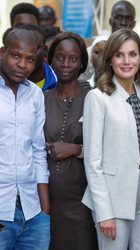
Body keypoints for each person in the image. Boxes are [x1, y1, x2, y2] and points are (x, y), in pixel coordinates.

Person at [82, 29, 140, 250]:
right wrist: (104, 212)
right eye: (119, 55)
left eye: (132, 54)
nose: (126, 61)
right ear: (110, 58)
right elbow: (93, 162)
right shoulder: (97, 97)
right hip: (112, 197)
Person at [45, 32, 98, 250]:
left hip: (84, 202)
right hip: (47, 203)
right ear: (51, 60)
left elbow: (110, 149)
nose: (65, 64)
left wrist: (76, 149)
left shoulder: (95, 99)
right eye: (59, 57)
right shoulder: (41, 99)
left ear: (82, 63)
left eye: (73, 58)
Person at [0, 28, 50, 249]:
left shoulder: (35, 94)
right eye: (16, 55)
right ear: (2, 52)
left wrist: (45, 209)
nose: (22, 65)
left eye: (30, 59)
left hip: (33, 211)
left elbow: (38, 150)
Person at [16, 24, 57, 91]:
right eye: (21, 48)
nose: (28, 53)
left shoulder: (60, 81)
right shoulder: (4, 83)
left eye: (34, 48)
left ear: (45, 50)